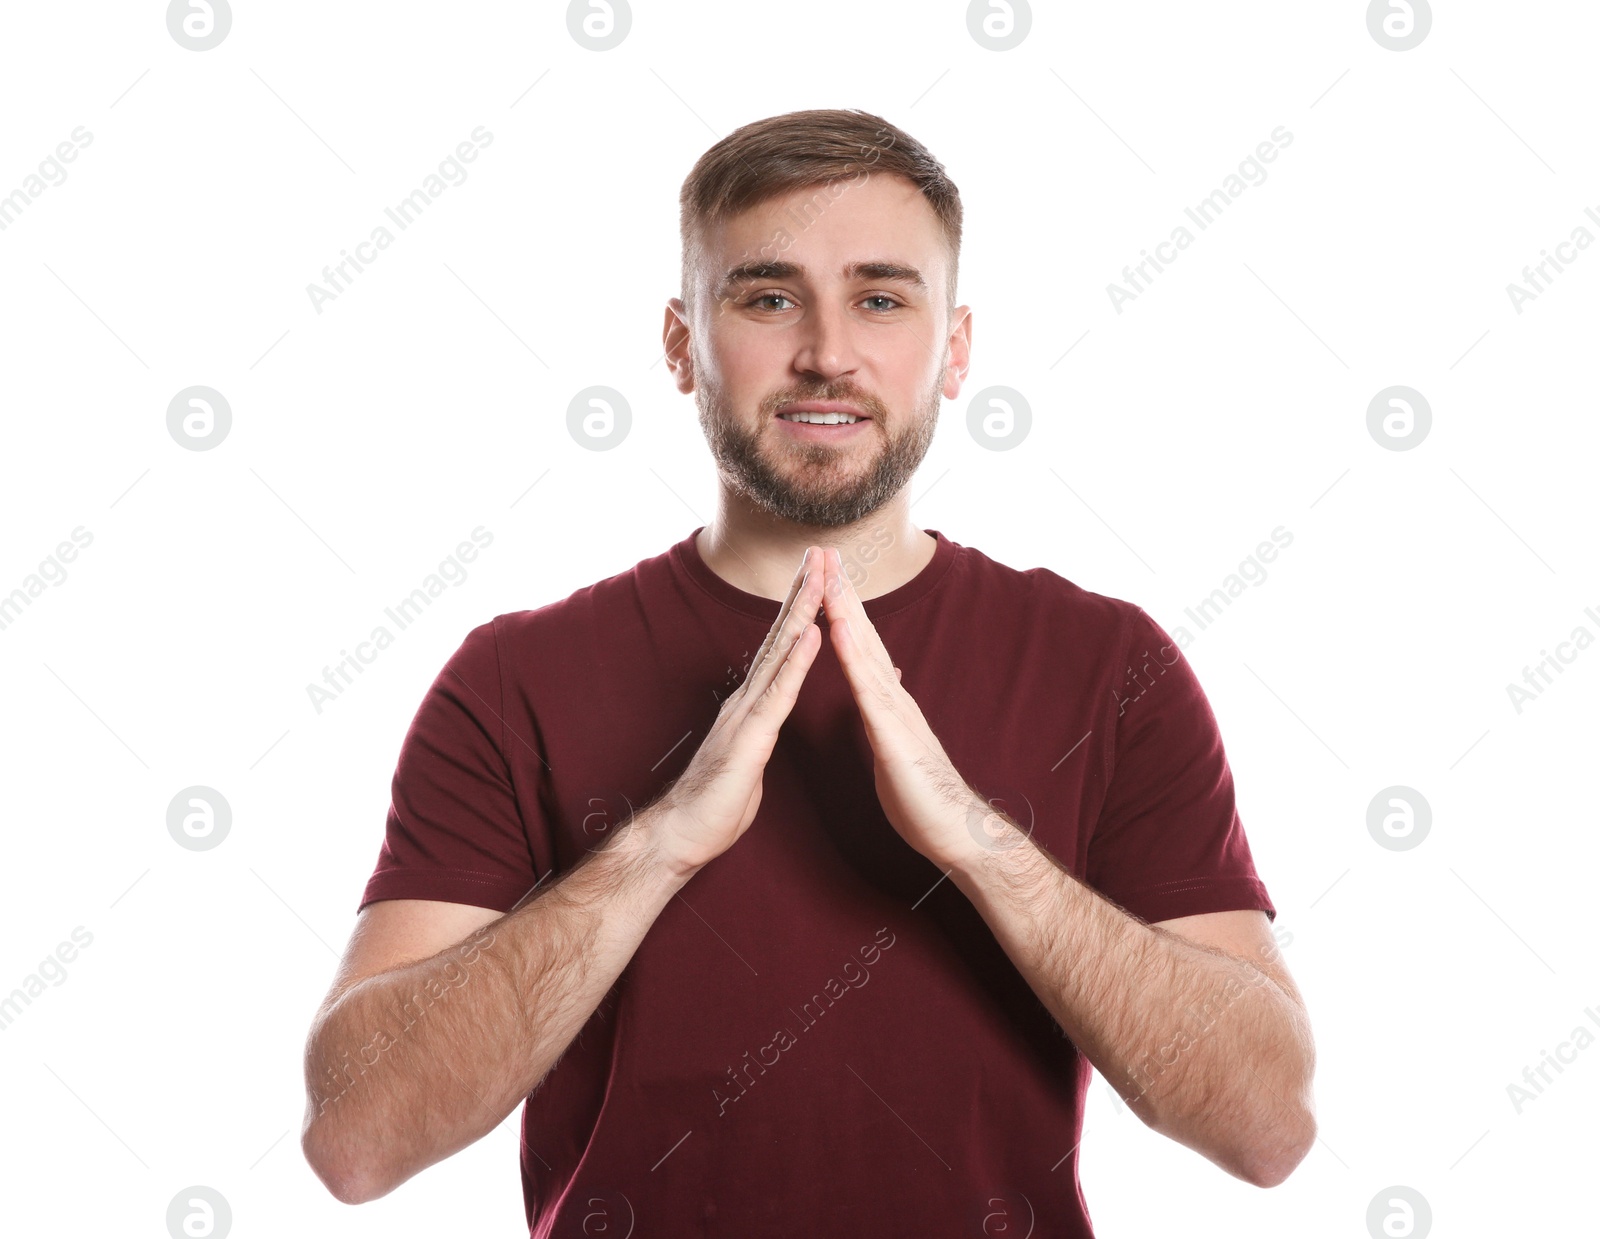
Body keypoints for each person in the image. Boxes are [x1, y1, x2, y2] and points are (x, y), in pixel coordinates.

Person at [301, 108, 1316, 1236]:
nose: (827, 350)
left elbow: (1266, 1127)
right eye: (767, 296)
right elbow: (356, 1139)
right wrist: (659, 842)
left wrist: (981, 847)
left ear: (957, 346)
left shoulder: (1107, 666)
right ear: (683, 345)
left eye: (881, 298)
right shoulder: (515, 678)